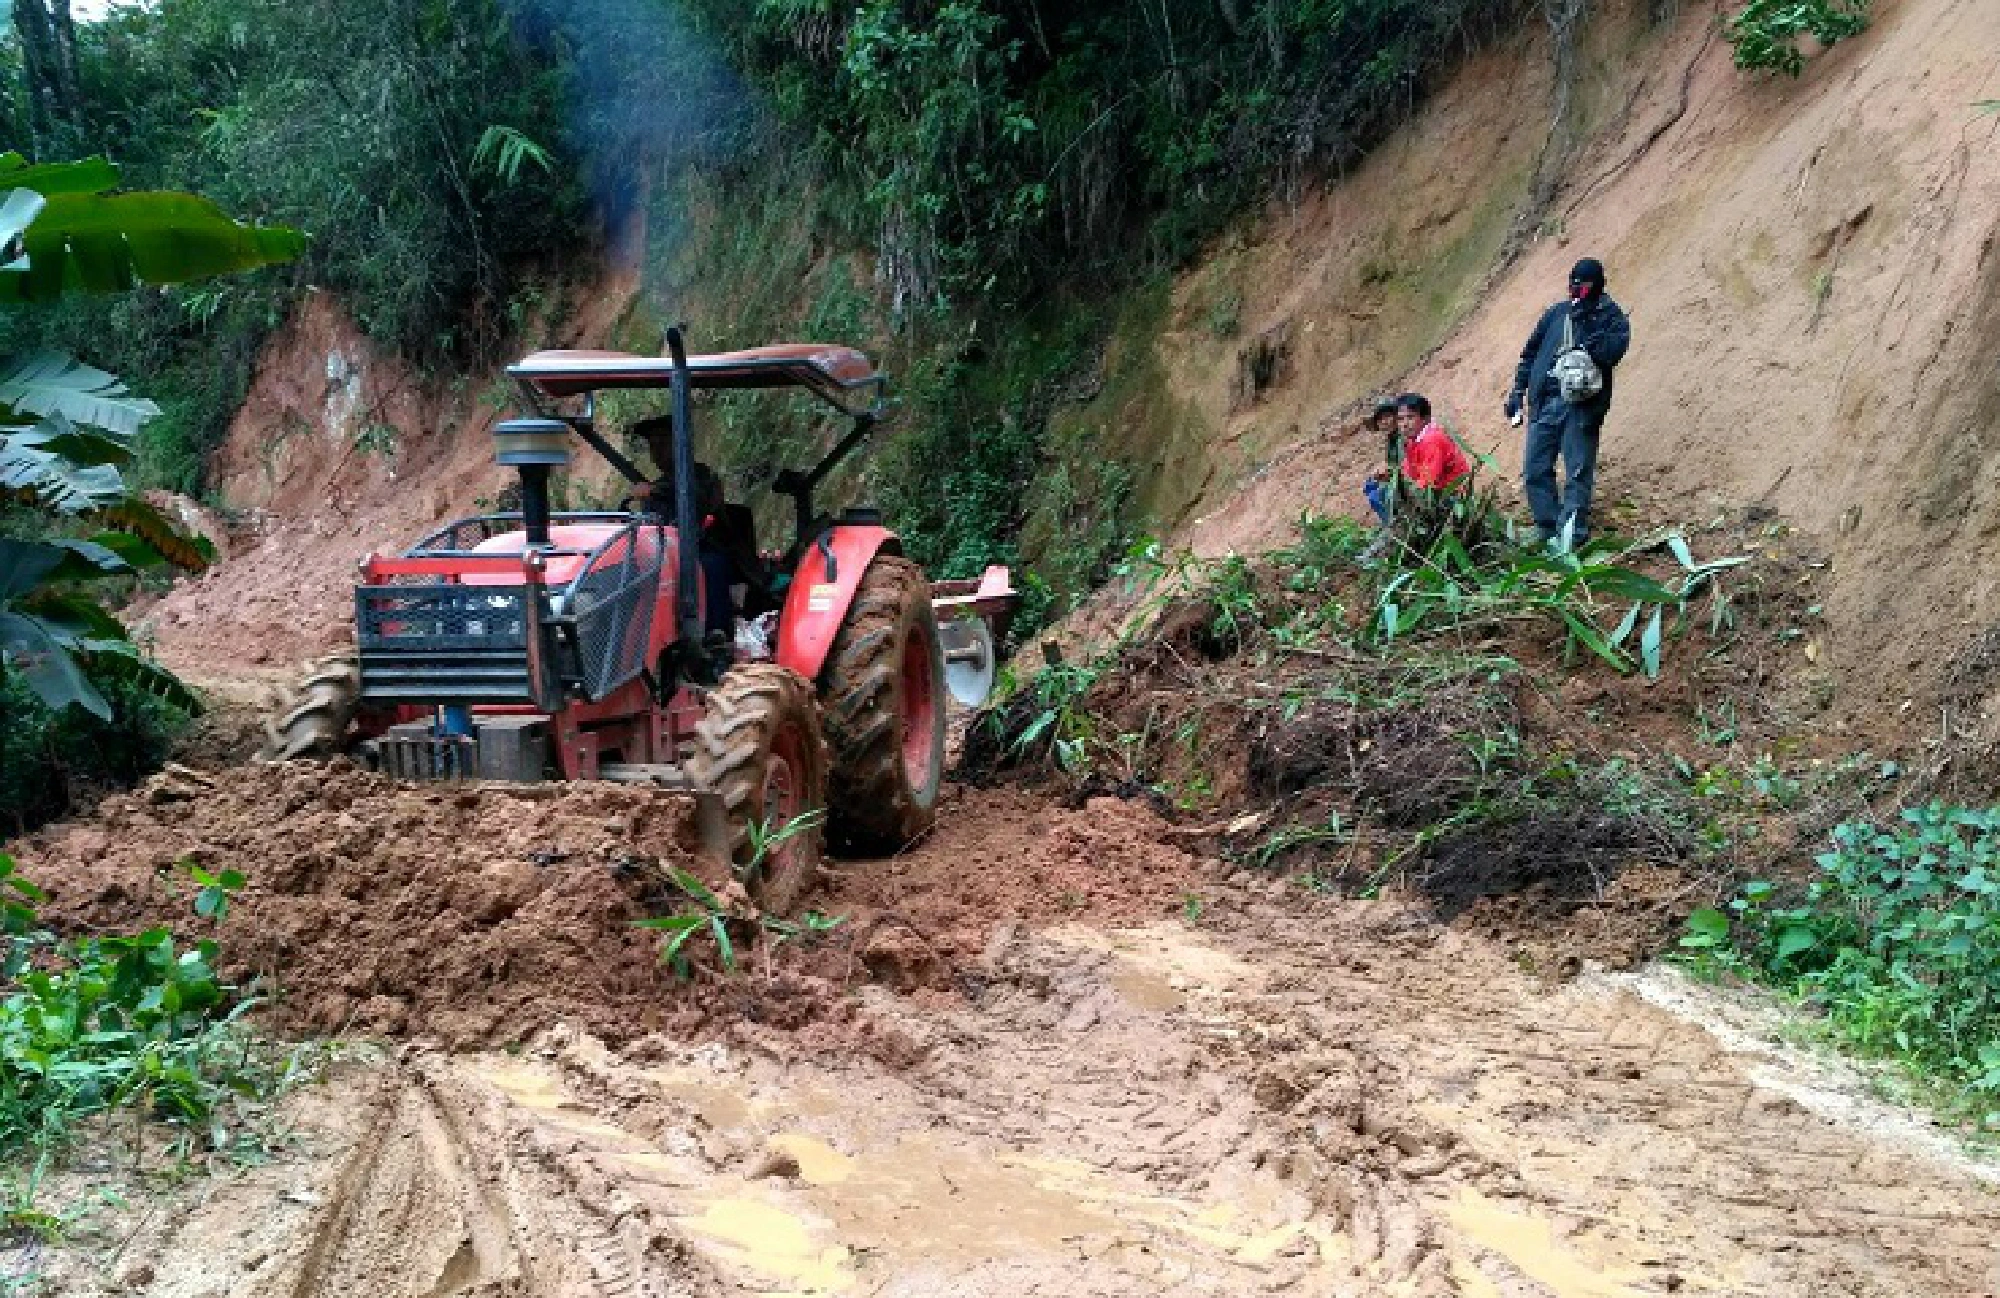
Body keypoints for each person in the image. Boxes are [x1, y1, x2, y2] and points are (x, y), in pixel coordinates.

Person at [1504, 257, 1630, 548]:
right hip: (1545, 401)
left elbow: (1613, 352)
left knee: (1577, 470)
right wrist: (1517, 393)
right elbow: (1530, 354)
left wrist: (1590, 327)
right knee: (1535, 469)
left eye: (1582, 284)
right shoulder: (1556, 314)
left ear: (1597, 285)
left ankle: (1572, 534)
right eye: (1572, 283)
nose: (1576, 289)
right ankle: (1547, 528)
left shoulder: (1611, 316)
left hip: (1581, 406)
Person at [1364, 392, 1471, 523]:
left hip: (1451, 497)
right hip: (1436, 492)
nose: (1404, 424)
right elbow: (1408, 471)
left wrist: (1398, 483)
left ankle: (1399, 526)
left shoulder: (1432, 440)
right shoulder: (1413, 441)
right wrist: (1390, 475)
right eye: (1401, 419)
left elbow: (1428, 482)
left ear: (1425, 418)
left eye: (1410, 417)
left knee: (1385, 494)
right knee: (1381, 490)